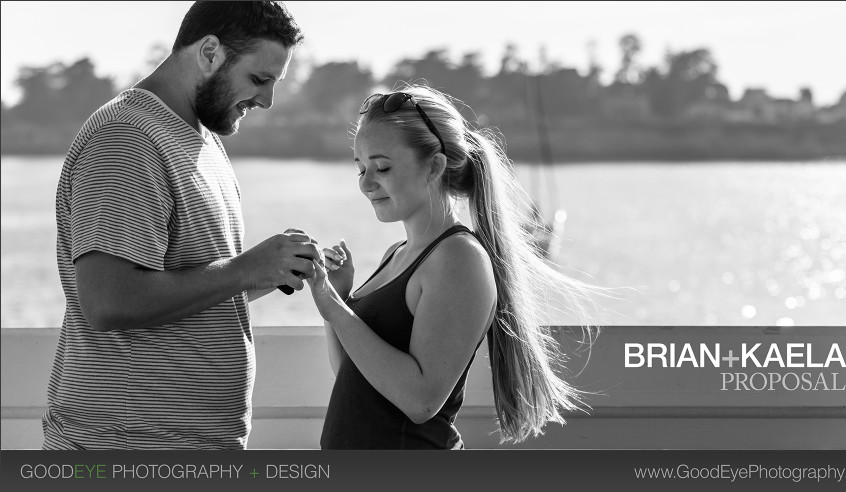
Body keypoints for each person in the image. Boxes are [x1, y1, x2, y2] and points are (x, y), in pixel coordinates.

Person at [44, 1, 316, 450]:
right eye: (259, 79)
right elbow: (110, 301)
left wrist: (271, 271)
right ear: (209, 52)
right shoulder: (127, 138)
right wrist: (245, 269)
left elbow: (190, 286)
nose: (267, 100)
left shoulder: (200, 136)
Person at [305, 84, 601, 449]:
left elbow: (421, 400)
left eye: (381, 167)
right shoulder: (396, 255)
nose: (366, 183)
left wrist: (334, 308)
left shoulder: (459, 259)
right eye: (361, 167)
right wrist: (338, 297)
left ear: (434, 166)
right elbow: (353, 375)